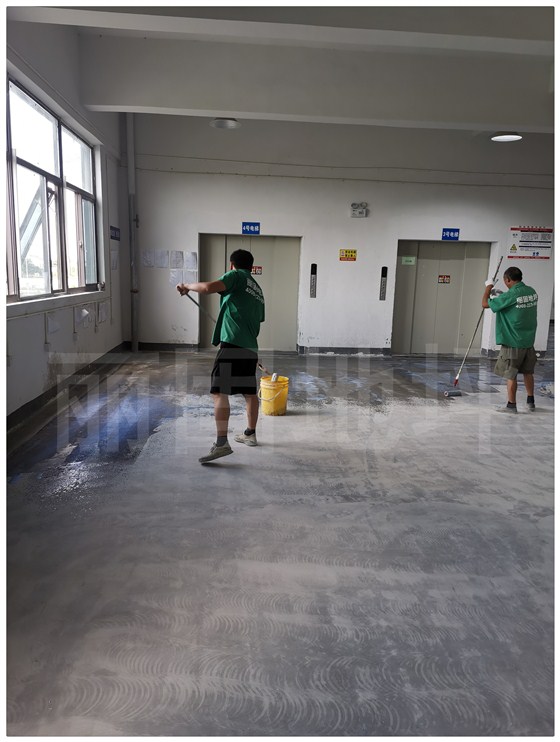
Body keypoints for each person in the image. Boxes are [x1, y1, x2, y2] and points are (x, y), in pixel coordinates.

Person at [177, 248, 265, 462]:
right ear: (251, 266)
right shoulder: (257, 289)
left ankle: (221, 443)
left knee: (219, 391)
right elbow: (258, 319)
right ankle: (250, 434)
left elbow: (208, 288)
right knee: (249, 394)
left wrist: (187, 286)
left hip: (233, 345)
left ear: (232, 265)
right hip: (250, 348)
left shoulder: (235, 276)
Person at [482, 265, 538, 413]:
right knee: (528, 372)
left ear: (507, 280)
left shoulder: (510, 296)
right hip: (528, 342)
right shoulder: (531, 292)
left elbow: (485, 303)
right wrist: (500, 296)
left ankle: (511, 406)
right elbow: (515, 306)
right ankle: (530, 402)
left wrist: (489, 287)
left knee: (511, 374)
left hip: (513, 343)